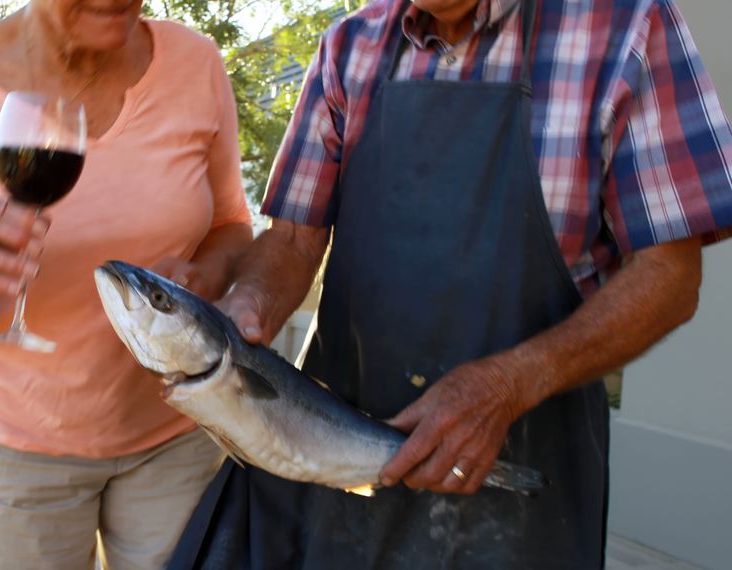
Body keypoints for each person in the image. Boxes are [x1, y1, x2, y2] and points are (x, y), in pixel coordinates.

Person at [168, 0, 732, 568]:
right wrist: (249, 305)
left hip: (517, 490)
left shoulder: (626, 27)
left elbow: (669, 275)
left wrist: (511, 383)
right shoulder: (349, 45)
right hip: (336, 464)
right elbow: (292, 240)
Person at [0, 0, 253, 567]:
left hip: (178, 432)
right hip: (12, 453)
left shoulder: (194, 61)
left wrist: (199, 279)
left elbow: (232, 225)